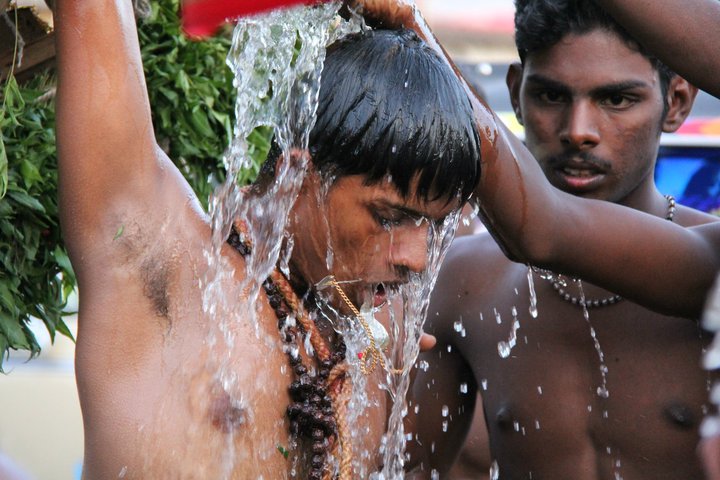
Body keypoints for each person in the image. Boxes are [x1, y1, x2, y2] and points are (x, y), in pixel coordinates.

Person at [54, 0, 481, 477]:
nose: (418, 259)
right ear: (295, 178)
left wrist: (409, 22)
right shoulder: (169, 263)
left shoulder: (371, 350)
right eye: (389, 216)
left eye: (435, 227)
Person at [397, 0, 720, 478]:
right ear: (515, 92)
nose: (578, 132)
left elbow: (541, 228)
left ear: (677, 102)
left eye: (616, 99)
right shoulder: (462, 281)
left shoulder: (710, 271)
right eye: (550, 96)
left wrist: (409, 26)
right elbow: (403, 471)